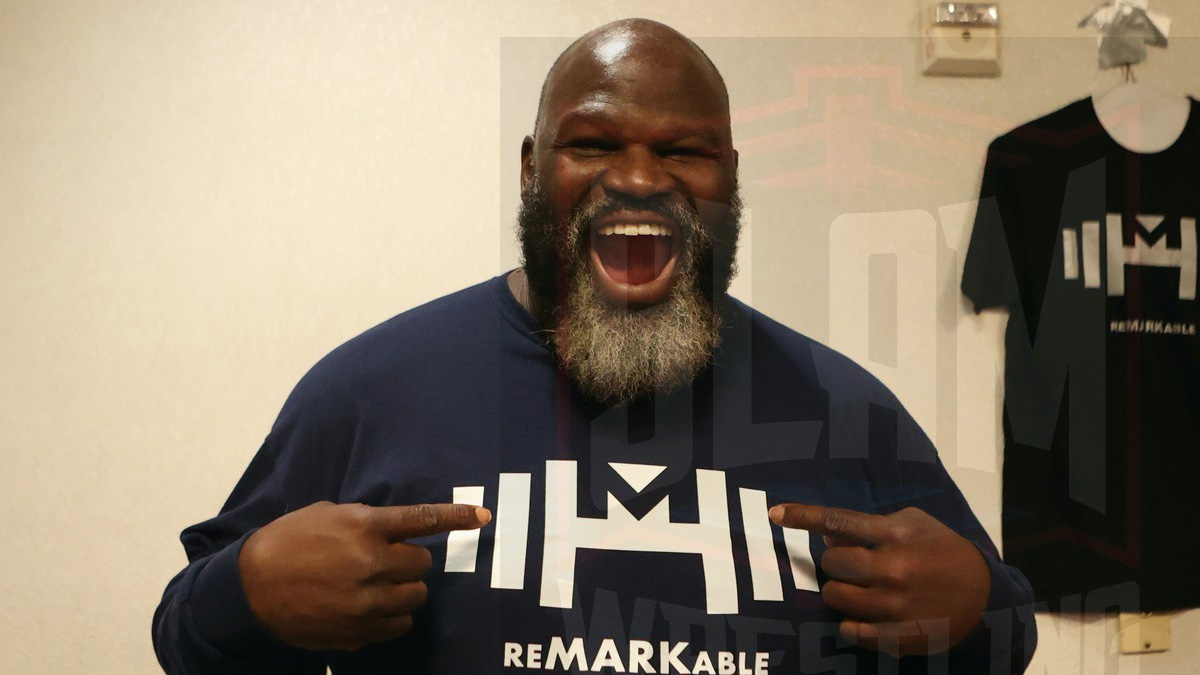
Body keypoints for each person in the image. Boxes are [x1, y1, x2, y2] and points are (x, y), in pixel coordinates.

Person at [153, 19, 1036, 675]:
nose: (641, 179)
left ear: (729, 179)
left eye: (684, 152)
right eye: (595, 142)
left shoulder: (844, 407)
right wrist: (249, 592)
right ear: (533, 166)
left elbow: (1005, 631)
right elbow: (186, 634)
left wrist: (976, 609)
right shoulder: (371, 390)